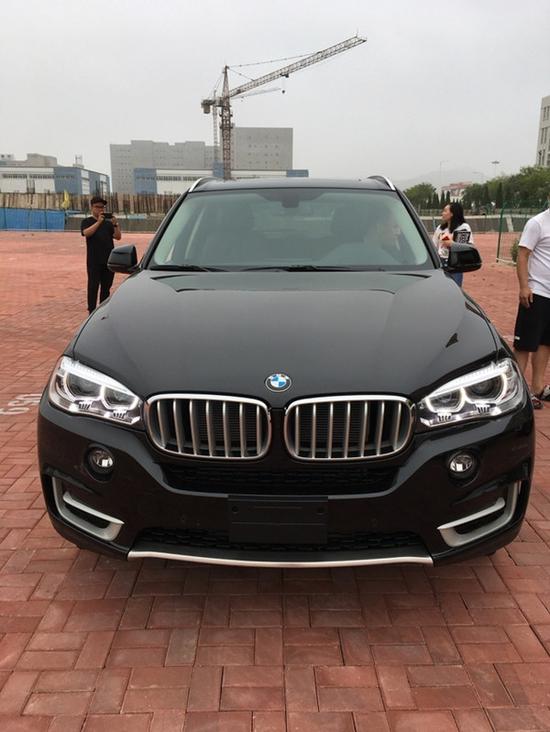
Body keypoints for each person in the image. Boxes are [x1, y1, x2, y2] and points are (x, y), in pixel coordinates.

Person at [513, 201, 550, 409]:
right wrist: (524, 286)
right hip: (537, 293)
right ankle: (517, 391)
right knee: (525, 344)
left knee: (545, 343)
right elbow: (523, 255)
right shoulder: (537, 223)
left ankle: (537, 388)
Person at [81, 195, 121, 314]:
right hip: (94, 260)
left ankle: (102, 311)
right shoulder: (87, 221)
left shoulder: (107, 224)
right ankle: (91, 311)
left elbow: (118, 236)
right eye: (98, 207)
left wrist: (115, 224)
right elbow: (86, 233)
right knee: (93, 287)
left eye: (102, 207)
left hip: (108, 260)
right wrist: (98, 222)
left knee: (106, 287)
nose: (100, 209)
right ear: (92, 207)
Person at [433, 201, 474, 286]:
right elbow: (434, 246)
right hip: (440, 263)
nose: (442, 213)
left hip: (455, 264)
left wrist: (451, 243)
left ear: (452, 213)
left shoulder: (463, 227)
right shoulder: (440, 228)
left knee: (454, 288)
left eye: (445, 211)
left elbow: (466, 247)